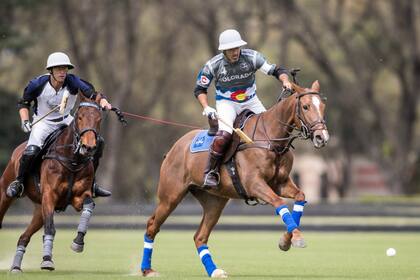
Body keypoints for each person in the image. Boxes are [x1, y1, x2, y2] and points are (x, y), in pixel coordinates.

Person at [194, 29, 293, 188]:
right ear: (223, 50)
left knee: (270, 130)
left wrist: (285, 81)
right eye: (231, 49)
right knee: (224, 135)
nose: (235, 52)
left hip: (251, 100)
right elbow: (200, 89)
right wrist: (206, 107)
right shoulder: (213, 65)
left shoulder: (252, 57)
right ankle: (211, 172)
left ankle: (274, 166)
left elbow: (276, 70)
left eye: (237, 48)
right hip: (227, 103)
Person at [6, 52, 112, 198]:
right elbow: (23, 103)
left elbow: (93, 94)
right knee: (30, 151)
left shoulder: (73, 82)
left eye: (65, 69)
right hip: (43, 123)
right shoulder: (37, 84)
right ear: (51, 71)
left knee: (97, 142)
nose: (62, 72)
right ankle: (20, 182)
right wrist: (25, 121)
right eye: (58, 69)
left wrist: (103, 101)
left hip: (67, 120)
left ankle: (91, 183)